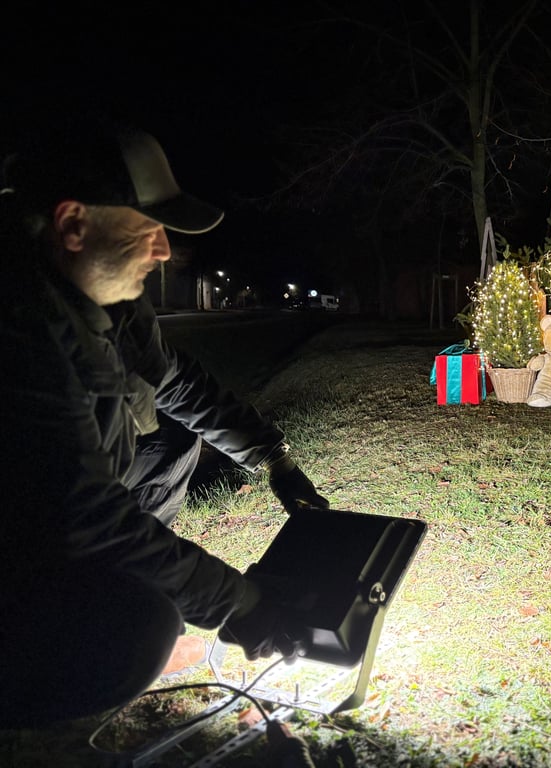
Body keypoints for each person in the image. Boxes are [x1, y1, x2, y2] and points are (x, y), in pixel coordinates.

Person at [0, 118, 330, 729]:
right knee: (141, 631)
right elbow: (86, 515)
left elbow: (175, 381)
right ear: (73, 224)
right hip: (25, 546)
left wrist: (271, 457)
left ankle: (136, 588)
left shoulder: (108, 295)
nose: (164, 251)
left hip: (66, 517)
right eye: (148, 228)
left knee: (175, 434)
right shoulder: (22, 328)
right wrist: (241, 605)